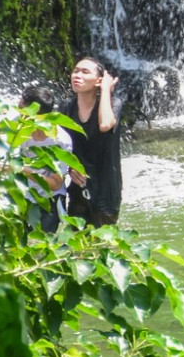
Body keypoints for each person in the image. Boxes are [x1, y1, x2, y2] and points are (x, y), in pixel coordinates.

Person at [60, 55, 122, 227]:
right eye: (75, 71)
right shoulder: (66, 108)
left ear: (98, 81)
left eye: (85, 72)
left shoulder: (113, 104)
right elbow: (60, 145)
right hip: (77, 186)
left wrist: (105, 91)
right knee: (77, 240)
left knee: (103, 243)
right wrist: (70, 167)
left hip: (106, 186)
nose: (77, 75)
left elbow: (105, 124)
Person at [17, 83, 73, 234]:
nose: (18, 110)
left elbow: (55, 184)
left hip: (49, 201)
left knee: (42, 249)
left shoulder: (60, 141)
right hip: (23, 196)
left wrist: (23, 170)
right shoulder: (18, 126)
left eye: (21, 108)